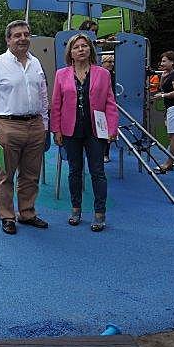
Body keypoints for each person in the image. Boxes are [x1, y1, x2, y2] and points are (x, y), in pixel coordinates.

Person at [0, 20, 49, 235]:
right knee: (6, 175)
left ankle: (27, 213)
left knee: (31, 174)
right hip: (7, 126)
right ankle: (7, 216)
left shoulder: (36, 63)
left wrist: (45, 124)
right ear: (8, 40)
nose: (23, 38)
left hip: (35, 125)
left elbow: (43, 95)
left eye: (26, 34)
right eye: (17, 35)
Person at [51, 33, 118, 232]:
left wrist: (112, 128)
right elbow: (56, 105)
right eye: (76, 47)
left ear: (90, 49)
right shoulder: (61, 74)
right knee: (74, 171)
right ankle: (76, 209)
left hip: (96, 130)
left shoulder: (103, 74)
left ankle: (99, 212)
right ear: (70, 53)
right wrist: (56, 129)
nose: (81, 49)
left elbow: (110, 103)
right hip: (70, 130)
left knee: (98, 172)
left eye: (84, 46)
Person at [152, 51, 174, 174]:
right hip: (171, 108)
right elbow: (163, 88)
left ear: (172, 62)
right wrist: (163, 76)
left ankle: (169, 163)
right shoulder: (168, 74)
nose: (161, 63)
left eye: (164, 61)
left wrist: (162, 95)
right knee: (173, 136)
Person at [101, 54, 116, 163]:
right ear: (103, 63)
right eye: (109, 62)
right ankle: (102, 153)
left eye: (112, 62)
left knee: (109, 130)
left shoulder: (114, 75)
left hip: (111, 104)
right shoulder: (100, 74)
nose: (111, 64)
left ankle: (106, 153)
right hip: (101, 106)